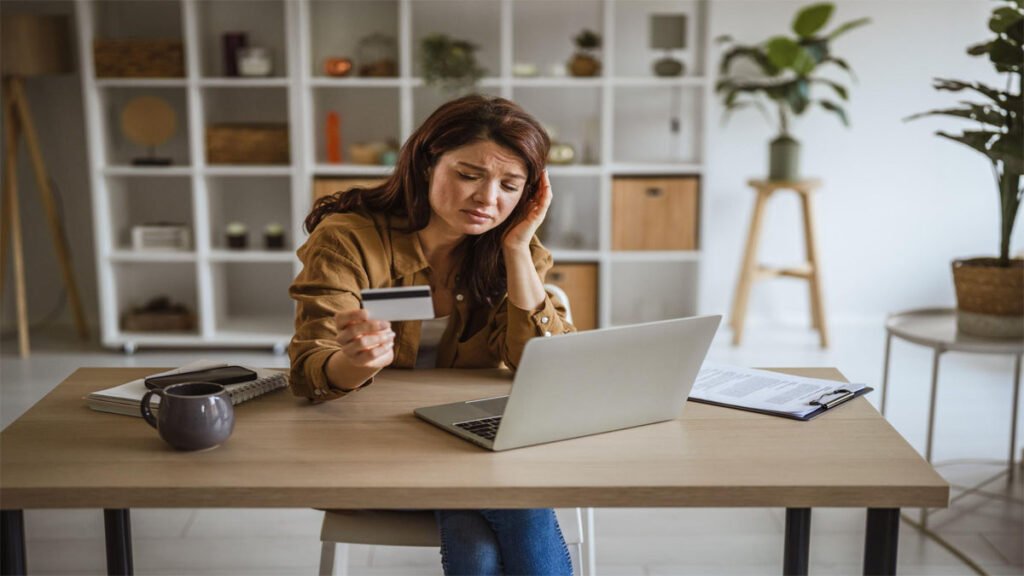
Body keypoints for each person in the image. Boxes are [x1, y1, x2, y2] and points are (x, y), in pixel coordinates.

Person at [288, 94, 576, 576]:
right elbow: (310, 368)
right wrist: (355, 362)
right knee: (518, 505)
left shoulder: (513, 248)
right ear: (426, 163)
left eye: (510, 185)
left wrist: (518, 247)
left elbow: (546, 369)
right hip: (373, 454)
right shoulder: (348, 239)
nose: (488, 200)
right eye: (469, 175)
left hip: (471, 450)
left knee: (478, 543)